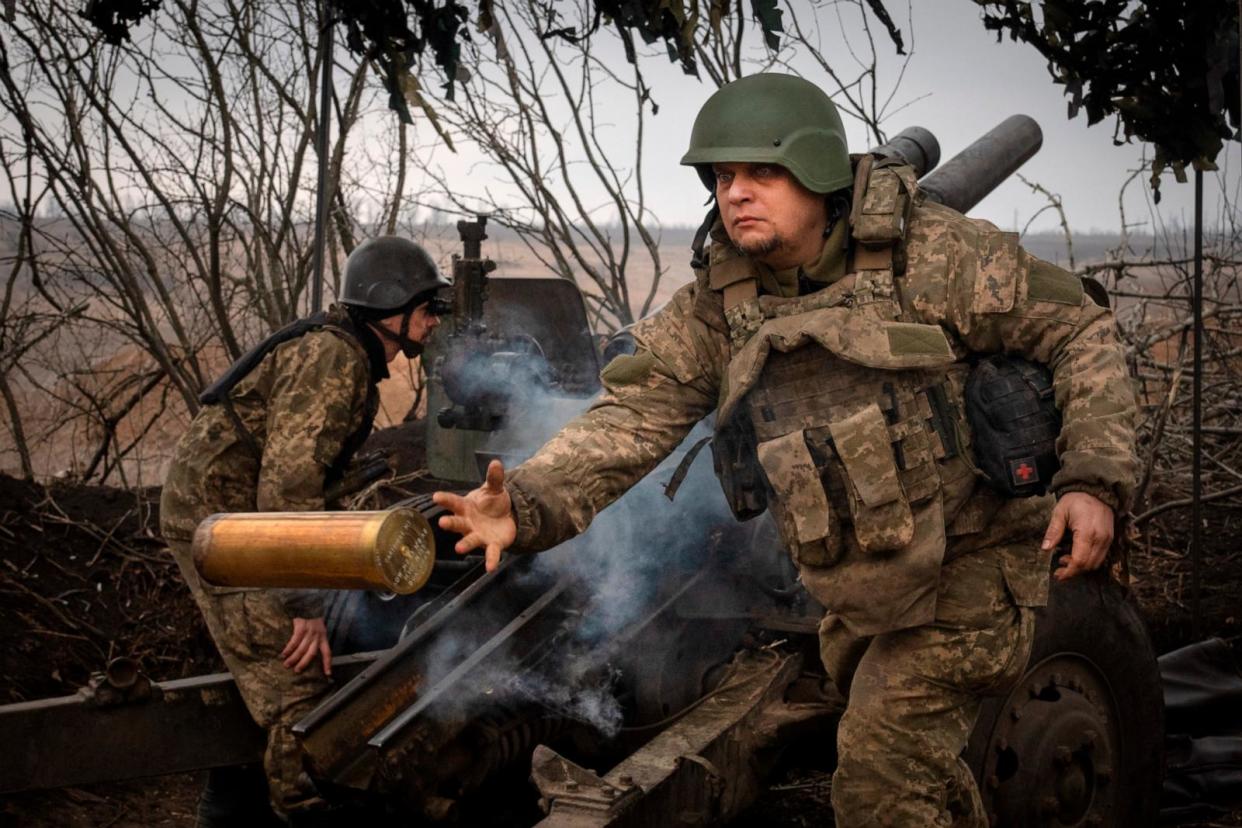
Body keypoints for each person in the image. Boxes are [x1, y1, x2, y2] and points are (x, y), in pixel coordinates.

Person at [433, 73, 1137, 827]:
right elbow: (632, 415)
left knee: (880, 773)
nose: (736, 193)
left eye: (762, 173)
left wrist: (1093, 479)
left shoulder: (932, 256)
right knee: (916, 774)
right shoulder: (721, 302)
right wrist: (528, 504)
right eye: (724, 176)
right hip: (862, 584)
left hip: (973, 566)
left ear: (818, 174)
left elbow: (1079, 330)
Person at [160, 236, 447, 824]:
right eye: (425, 307)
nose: (432, 320)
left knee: (270, 675)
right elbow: (286, 491)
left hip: (243, 522)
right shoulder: (334, 357)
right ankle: (302, 807)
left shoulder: (342, 352)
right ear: (387, 308)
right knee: (295, 689)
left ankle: (231, 811)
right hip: (225, 531)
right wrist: (306, 604)